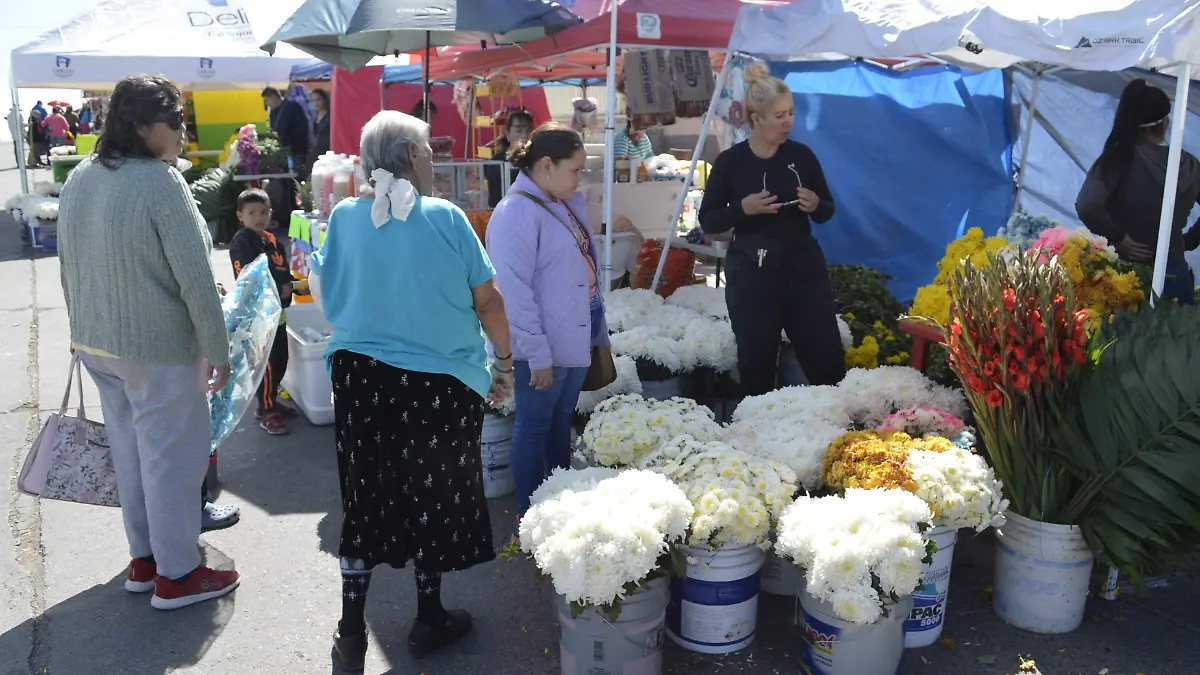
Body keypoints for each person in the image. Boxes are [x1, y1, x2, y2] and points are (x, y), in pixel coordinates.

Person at [309, 110, 514, 669]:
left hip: (360, 376)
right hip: (436, 380)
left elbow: (326, 286)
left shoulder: (346, 216)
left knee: (365, 492)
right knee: (431, 492)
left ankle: (352, 627)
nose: (434, 158)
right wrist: (505, 360)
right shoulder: (445, 217)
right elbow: (488, 300)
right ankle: (429, 615)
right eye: (428, 149)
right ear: (411, 157)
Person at [56, 74, 239, 610]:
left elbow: (69, 264)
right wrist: (219, 348)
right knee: (172, 461)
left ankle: (147, 560)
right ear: (141, 127)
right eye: (175, 121)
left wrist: (79, 329)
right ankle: (178, 575)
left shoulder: (83, 175)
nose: (184, 130)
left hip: (98, 342)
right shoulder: (161, 183)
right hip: (154, 347)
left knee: (132, 456)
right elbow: (196, 279)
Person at [697, 62, 843, 396]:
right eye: (779, 116)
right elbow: (709, 220)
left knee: (826, 359)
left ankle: (837, 434)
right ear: (756, 119)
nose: (788, 122)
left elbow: (827, 211)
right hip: (752, 274)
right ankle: (758, 436)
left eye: (790, 113)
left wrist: (814, 204)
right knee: (757, 365)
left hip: (803, 271)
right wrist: (743, 209)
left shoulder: (802, 156)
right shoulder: (731, 163)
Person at [486, 123, 609, 517]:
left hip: (569, 338)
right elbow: (513, 293)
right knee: (534, 427)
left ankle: (557, 508)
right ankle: (530, 514)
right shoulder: (515, 213)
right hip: (542, 348)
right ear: (545, 166)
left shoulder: (558, 201)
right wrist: (537, 355)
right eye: (574, 169)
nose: (579, 178)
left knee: (558, 426)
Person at [1076, 79, 1200, 305]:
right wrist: (1187, 241)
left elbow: (1087, 205)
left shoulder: (1118, 159)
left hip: (1124, 276)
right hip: (1175, 274)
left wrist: (1118, 237)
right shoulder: (1190, 165)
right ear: (1165, 123)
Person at [228, 188, 295, 435]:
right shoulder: (243, 241)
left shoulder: (272, 240)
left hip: (277, 314)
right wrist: (281, 288)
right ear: (240, 216)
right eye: (252, 212)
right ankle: (265, 410)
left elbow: (283, 270)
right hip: (257, 317)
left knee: (281, 361)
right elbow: (247, 279)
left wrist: (293, 286)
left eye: (264, 211)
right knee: (265, 365)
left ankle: (271, 401)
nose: (259, 217)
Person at [486, 109, 534, 207]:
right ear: (507, 134)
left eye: (528, 131)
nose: (524, 135)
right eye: (518, 130)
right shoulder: (497, 161)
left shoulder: (537, 158)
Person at [262, 87, 310, 177]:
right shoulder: (273, 113)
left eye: (267, 100)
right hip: (281, 154)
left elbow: (302, 128)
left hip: (296, 150)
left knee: (296, 176)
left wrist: (288, 141)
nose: (267, 104)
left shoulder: (293, 107)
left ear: (274, 97)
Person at [310, 88, 331, 163]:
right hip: (317, 152)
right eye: (313, 100)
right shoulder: (315, 116)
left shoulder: (331, 116)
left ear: (324, 99)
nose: (316, 103)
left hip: (328, 151)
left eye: (318, 99)